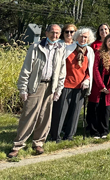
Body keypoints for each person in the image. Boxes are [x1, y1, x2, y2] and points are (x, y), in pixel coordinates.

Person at [8, 24, 66, 158]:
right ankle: (17, 145)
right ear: (46, 33)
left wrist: (58, 89)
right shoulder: (36, 47)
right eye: (52, 32)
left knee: (45, 117)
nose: (55, 35)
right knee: (28, 116)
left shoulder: (61, 48)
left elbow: (62, 71)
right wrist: (23, 88)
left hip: (50, 86)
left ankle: (38, 143)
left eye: (57, 33)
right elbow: (26, 69)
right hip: (36, 86)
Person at [50, 27, 95, 142]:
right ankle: (55, 136)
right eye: (81, 36)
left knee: (75, 114)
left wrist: (87, 80)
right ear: (76, 37)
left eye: (85, 37)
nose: (83, 39)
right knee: (60, 113)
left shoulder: (89, 51)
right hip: (65, 85)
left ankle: (69, 136)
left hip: (80, 87)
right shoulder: (68, 48)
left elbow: (89, 70)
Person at [87, 33, 110, 138]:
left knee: (105, 108)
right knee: (95, 107)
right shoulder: (98, 54)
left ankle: (104, 130)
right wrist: (101, 86)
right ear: (106, 42)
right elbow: (95, 70)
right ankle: (94, 131)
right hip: (98, 84)